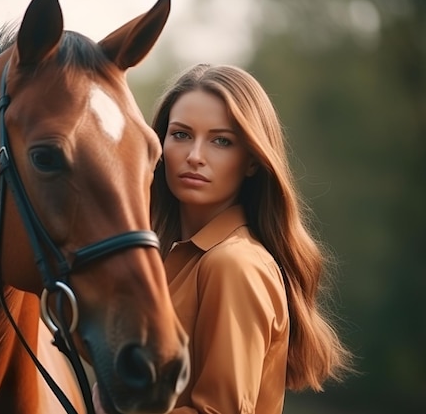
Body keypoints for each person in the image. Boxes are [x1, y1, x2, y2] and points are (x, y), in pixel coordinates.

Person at [93, 63, 352, 414]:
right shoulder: (167, 260)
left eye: (221, 141)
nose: (195, 156)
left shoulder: (234, 264)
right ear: (160, 144)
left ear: (252, 161)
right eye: (181, 134)